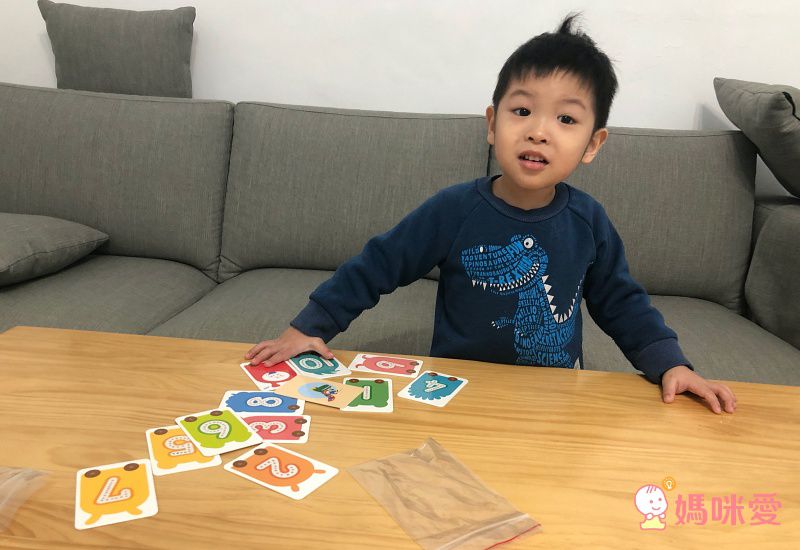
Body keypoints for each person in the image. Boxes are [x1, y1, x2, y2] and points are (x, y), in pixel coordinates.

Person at [246, 13, 737, 414]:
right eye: (522, 111)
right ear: (491, 123)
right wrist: (310, 327)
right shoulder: (453, 209)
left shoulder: (588, 221)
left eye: (566, 118)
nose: (539, 131)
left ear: (592, 144)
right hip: (455, 390)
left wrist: (671, 363)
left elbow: (622, 302)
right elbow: (379, 264)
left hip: (554, 397)